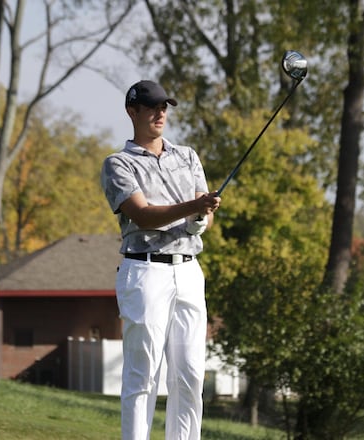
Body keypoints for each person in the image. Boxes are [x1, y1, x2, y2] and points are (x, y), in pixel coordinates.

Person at [100, 79, 221, 440]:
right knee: (143, 373)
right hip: (144, 270)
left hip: (188, 271)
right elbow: (144, 215)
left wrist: (202, 217)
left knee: (189, 374)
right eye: (152, 107)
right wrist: (195, 206)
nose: (160, 113)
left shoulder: (187, 156)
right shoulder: (117, 164)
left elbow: (204, 216)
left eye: (164, 106)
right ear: (132, 112)